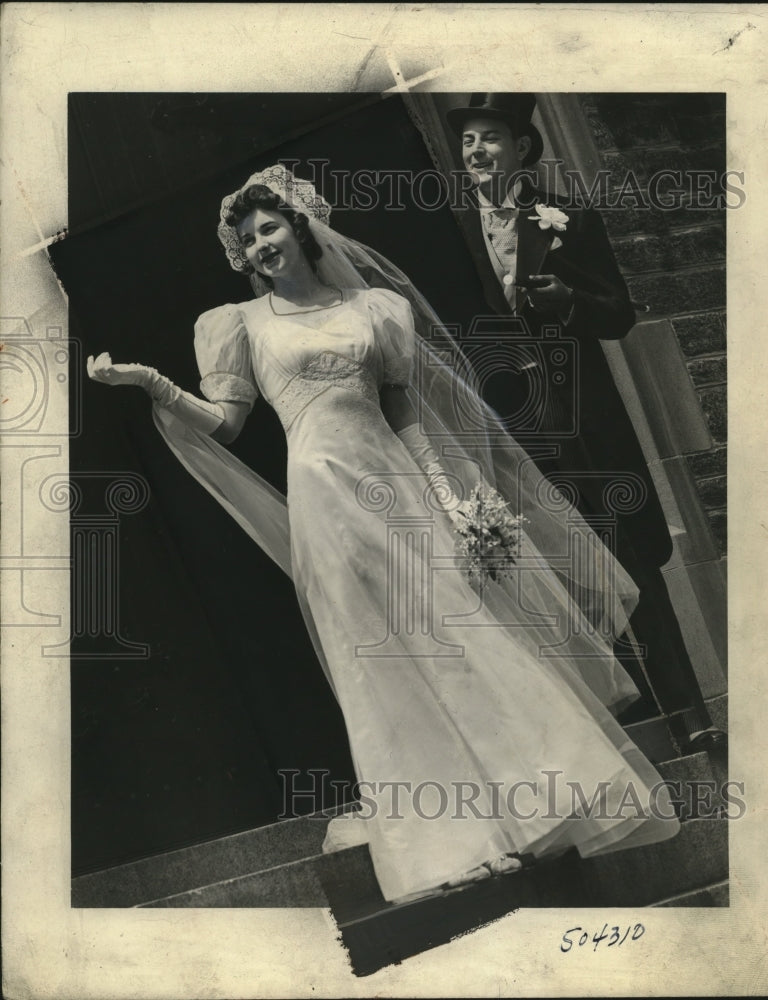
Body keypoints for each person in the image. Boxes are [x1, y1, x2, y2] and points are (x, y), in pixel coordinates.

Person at [86, 165, 680, 904]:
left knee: (464, 639)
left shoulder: (378, 308)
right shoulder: (237, 325)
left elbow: (405, 413)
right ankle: (451, 842)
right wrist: (153, 386)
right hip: (325, 500)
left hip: (400, 489)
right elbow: (227, 424)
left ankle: (540, 808)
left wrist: (448, 499)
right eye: (247, 238)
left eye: (269, 227)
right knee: (379, 662)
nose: (260, 244)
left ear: (300, 227)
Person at [446, 93, 726, 753]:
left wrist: (570, 302)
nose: (478, 151)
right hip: (514, 432)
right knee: (552, 570)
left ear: (521, 148)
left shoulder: (566, 218)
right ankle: (616, 735)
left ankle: (687, 715)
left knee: (631, 556)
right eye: (468, 141)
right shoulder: (451, 233)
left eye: (491, 137)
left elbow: (620, 314)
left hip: (589, 423)